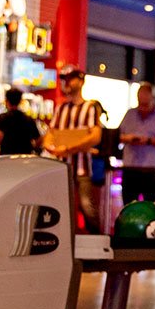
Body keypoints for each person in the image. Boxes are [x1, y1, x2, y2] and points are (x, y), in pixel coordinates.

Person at [45, 67, 107, 230]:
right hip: (62, 165)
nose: (67, 83)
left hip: (82, 168)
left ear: (81, 81)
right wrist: (51, 147)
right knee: (61, 205)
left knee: (86, 206)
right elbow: (50, 133)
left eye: (70, 79)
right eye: (65, 79)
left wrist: (69, 148)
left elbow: (95, 137)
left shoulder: (90, 107)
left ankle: (97, 242)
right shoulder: (61, 108)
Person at [116, 82, 155, 203]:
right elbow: (118, 136)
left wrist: (149, 141)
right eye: (140, 94)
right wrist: (129, 138)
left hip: (151, 169)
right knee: (128, 205)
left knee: (150, 205)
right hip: (131, 167)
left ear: (153, 96)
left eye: (146, 94)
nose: (142, 97)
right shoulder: (130, 114)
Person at [0, 88, 42, 156]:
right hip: (25, 158)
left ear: (7, 101)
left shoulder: (3, 118)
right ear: (20, 101)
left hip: (6, 157)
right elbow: (38, 140)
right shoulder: (28, 119)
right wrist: (32, 147)